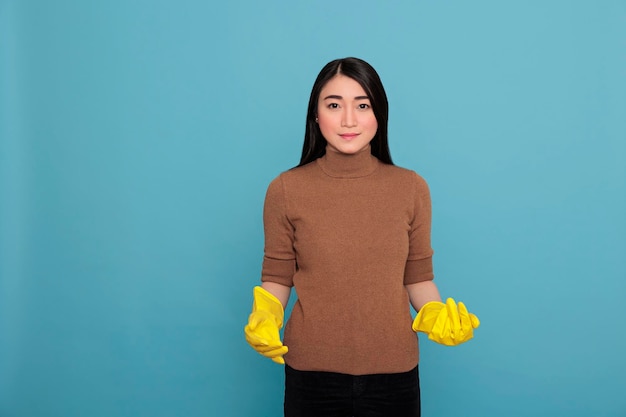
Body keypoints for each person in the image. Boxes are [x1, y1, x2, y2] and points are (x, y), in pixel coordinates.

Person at [244, 57, 480, 417]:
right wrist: (266, 313)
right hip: (311, 374)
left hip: (394, 375)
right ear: (316, 115)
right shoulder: (286, 189)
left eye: (362, 105)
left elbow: (417, 277)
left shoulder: (411, 188)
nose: (349, 119)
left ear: (379, 114)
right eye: (334, 105)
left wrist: (435, 313)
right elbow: (278, 276)